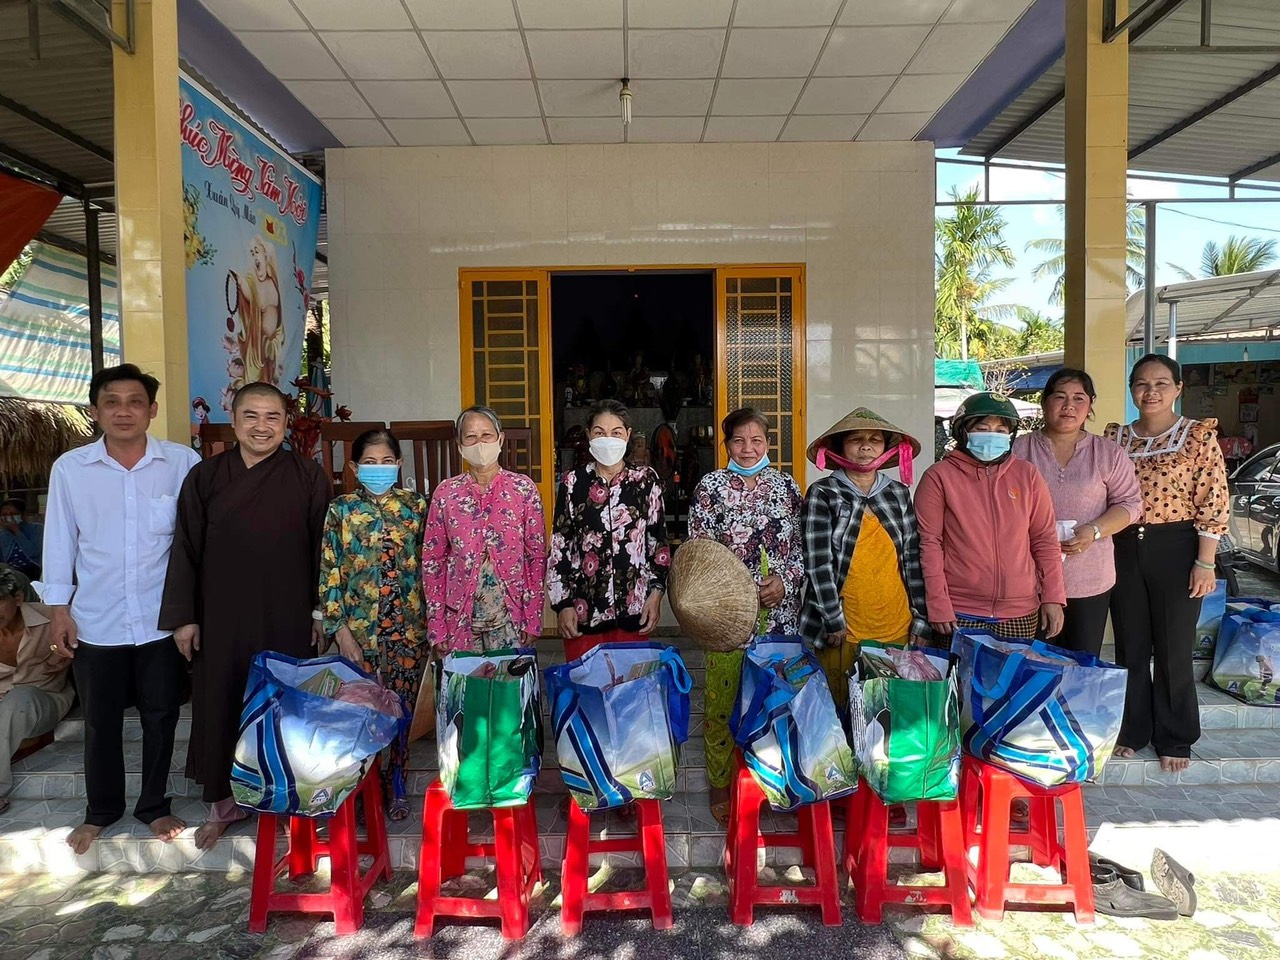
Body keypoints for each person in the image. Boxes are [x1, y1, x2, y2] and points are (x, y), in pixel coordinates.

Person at [159, 382, 330, 849]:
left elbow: (324, 548)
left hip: (288, 611)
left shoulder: (307, 476)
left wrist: (320, 613)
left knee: (285, 705)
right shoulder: (206, 477)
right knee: (222, 701)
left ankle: (289, 800)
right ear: (234, 421)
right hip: (221, 615)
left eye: (272, 417)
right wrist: (185, 617)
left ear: (286, 423)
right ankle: (224, 805)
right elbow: (185, 547)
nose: (262, 426)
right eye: (251, 416)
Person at [39, 363, 199, 855]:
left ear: (152, 410)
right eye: (112, 402)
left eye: (135, 402)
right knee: (99, 721)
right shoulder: (71, 469)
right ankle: (101, 811)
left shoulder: (182, 463)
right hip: (96, 618)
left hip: (161, 620)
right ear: (95, 411)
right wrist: (59, 610)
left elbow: (196, 542)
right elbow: (60, 540)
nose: (123, 411)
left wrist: (193, 612)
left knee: (161, 716)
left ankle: (154, 805)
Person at [1106, 354, 1230, 773]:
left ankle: (1175, 737)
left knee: (1174, 647)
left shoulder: (1197, 436)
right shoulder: (1116, 438)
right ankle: (1131, 731)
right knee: (1130, 645)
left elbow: (1213, 499)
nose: (1151, 391)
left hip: (1177, 547)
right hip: (1123, 545)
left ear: (1178, 388)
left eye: (1161, 383)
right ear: (1132, 389)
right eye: (1142, 383)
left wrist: (1205, 563)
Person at [688, 407, 804, 825]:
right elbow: (699, 553)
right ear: (727, 445)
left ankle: (769, 779)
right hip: (726, 621)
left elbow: (800, 549)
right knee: (722, 705)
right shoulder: (710, 488)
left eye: (756, 440)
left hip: (779, 619)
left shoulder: (787, 487)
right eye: (738, 440)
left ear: (768, 443)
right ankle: (720, 782)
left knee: (772, 703)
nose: (748, 448)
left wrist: (785, 582)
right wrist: (735, 592)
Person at [320, 428, 428, 821]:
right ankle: (364, 787)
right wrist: (340, 630)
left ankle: (396, 780)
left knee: (402, 707)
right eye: (369, 462)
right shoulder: (342, 510)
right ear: (354, 467)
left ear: (399, 464)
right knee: (362, 710)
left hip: (408, 626)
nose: (378, 468)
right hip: (359, 630)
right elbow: (330, 571)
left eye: (386, 462)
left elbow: (432, 565)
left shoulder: (417, 507)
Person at [799, 408, 930, 709]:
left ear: (886, 448)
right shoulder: (824, 493)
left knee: (888, 713)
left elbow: (912, 558)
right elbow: (818, 563)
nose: (866, 447)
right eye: (855, 439)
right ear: (840, 447)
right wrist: (833, 619)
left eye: (875, 440)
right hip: (844, 630)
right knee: (843, 711)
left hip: (897, 624)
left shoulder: (897, 493)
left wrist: (922, 619)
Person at [917, 392, 1067, 642]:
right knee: (959, 670)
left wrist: (1053, 595)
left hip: (1019, 612)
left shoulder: (1028, 475)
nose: (992, 435)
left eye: (1000, 430)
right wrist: (937, 602)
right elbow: (929, 543)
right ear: (963, 431)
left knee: (1014, 670)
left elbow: (1044, 538)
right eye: (982, 428)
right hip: (959, 610)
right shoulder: (939, 476)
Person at [1012, 369, 1143, 655]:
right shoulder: (1019, 450)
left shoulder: (1108, 452)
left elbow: (1130, 504)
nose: (1069, 406)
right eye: (1059, 397)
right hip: (1029, 579)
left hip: (1089, 579)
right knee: (1033, 664)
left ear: (1090, 404)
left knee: (1081, 665)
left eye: (1079, 398)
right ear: (1045, 402)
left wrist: (1094, 530)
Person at [549, 399, 670, 661]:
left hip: (634, 610)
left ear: (627, 435)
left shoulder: (645, 480)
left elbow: (657, 543)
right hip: (583, 612)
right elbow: (561, 544)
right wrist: (562, 604)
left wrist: (656, 594)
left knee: (631, 685)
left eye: (616, 432)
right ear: (589, 436)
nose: (608, 439)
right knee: (586, 684)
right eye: (599, 432)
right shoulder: (573, 482)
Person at [421, 407, 547, 656]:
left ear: (500, 439)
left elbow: (536, 556)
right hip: (458, 619)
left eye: (486, 435)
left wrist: (533, 616)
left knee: (508, 680)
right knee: (464, 681)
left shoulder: (523, 489)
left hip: (511, 618)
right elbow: (432, 561)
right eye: (471, 437)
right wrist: (436, 625)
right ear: (460, 445)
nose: (479, 443)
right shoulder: (446, 493)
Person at [0, 564, 74, 815]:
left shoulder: (52, 619)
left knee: (19, 698)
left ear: (18, 598)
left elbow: (92, 643)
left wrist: (72, 656)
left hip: (43, 701)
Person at [0, 498, 43, 580]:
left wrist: (16, 531)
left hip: (33, 569)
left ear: (23, 515)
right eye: (4, 514)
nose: (9, 517)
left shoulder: (37, 529)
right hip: (9, 571)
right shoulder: (2, 534)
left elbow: (34, 553)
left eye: (13, 514)